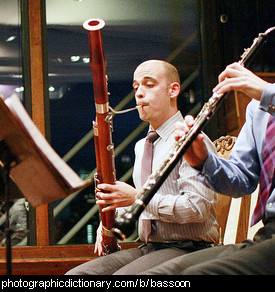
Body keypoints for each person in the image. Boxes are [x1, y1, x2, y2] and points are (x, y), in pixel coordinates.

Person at [66, 60, 218, 275]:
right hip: (150, 247)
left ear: (173, 90)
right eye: (136, 87)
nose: (139, 93)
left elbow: (196, 208)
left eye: (149, 84)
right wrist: (112, 219)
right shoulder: (142, 146)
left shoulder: (192, 142)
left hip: (189, 247)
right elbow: (144, 206)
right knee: (76, 277)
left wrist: (137, 198)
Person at [141, 62, 275, 275]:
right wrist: (203, 161)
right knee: (161, 276)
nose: (139, 93)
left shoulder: (265, 97)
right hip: (268, 234)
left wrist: (269, 94)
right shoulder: (256, 108)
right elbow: (241, 180)